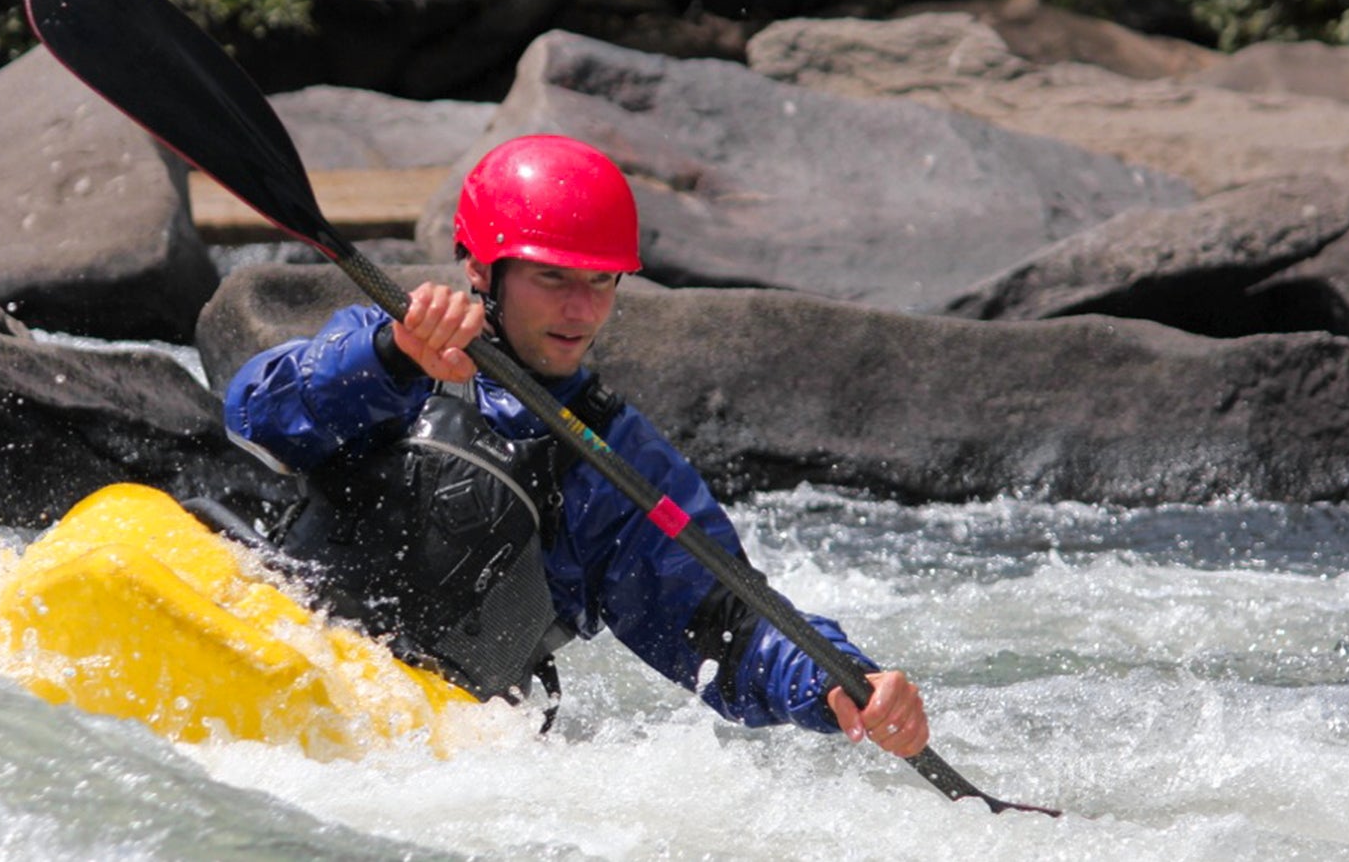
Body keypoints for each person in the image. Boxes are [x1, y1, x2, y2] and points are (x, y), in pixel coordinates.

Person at [223, 134, 929, 757]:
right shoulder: (391, 348)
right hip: (288, 635)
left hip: (432, 733)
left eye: (600, 281)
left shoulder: (614, 460)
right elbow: (256, 416)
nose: (581, 309)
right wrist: (389, 357)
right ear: (481, 268)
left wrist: (837, 681)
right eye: (552, 277)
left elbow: (725, 625)